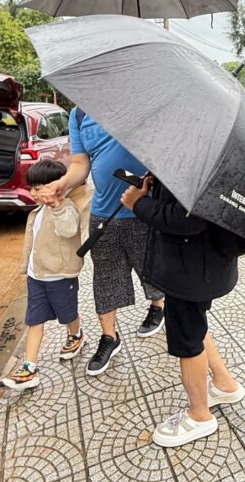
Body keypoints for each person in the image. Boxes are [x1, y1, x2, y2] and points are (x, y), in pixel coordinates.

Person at [121, 176, 245, 448]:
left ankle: (200, 415)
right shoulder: (216, 155)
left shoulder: (197, 161)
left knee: (186, 340)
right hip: (206, 264)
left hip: (188, 269)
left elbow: (186, 219)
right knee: (195, 326)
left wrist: (139, 204)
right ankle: (225, 384)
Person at [39, 108, 165, 377]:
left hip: (145, 207)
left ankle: (158, 307)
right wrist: (64, 182)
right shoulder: (80, 114)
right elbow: (80, 164)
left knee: (153, 268)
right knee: (106, 277)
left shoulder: (137, 100)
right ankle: (110, 337)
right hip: (104, 212)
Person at [0, 159, 90, 391]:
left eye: (38, 189)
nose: (32, 193)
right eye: (32, 188)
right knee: (34, 320)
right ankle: (29, 368)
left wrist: (58, 206)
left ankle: (76, 334)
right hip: (37, 276)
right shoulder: (38, 211)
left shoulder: (66, 208)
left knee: (67, 312)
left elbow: (69, 229)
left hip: (61, 275)